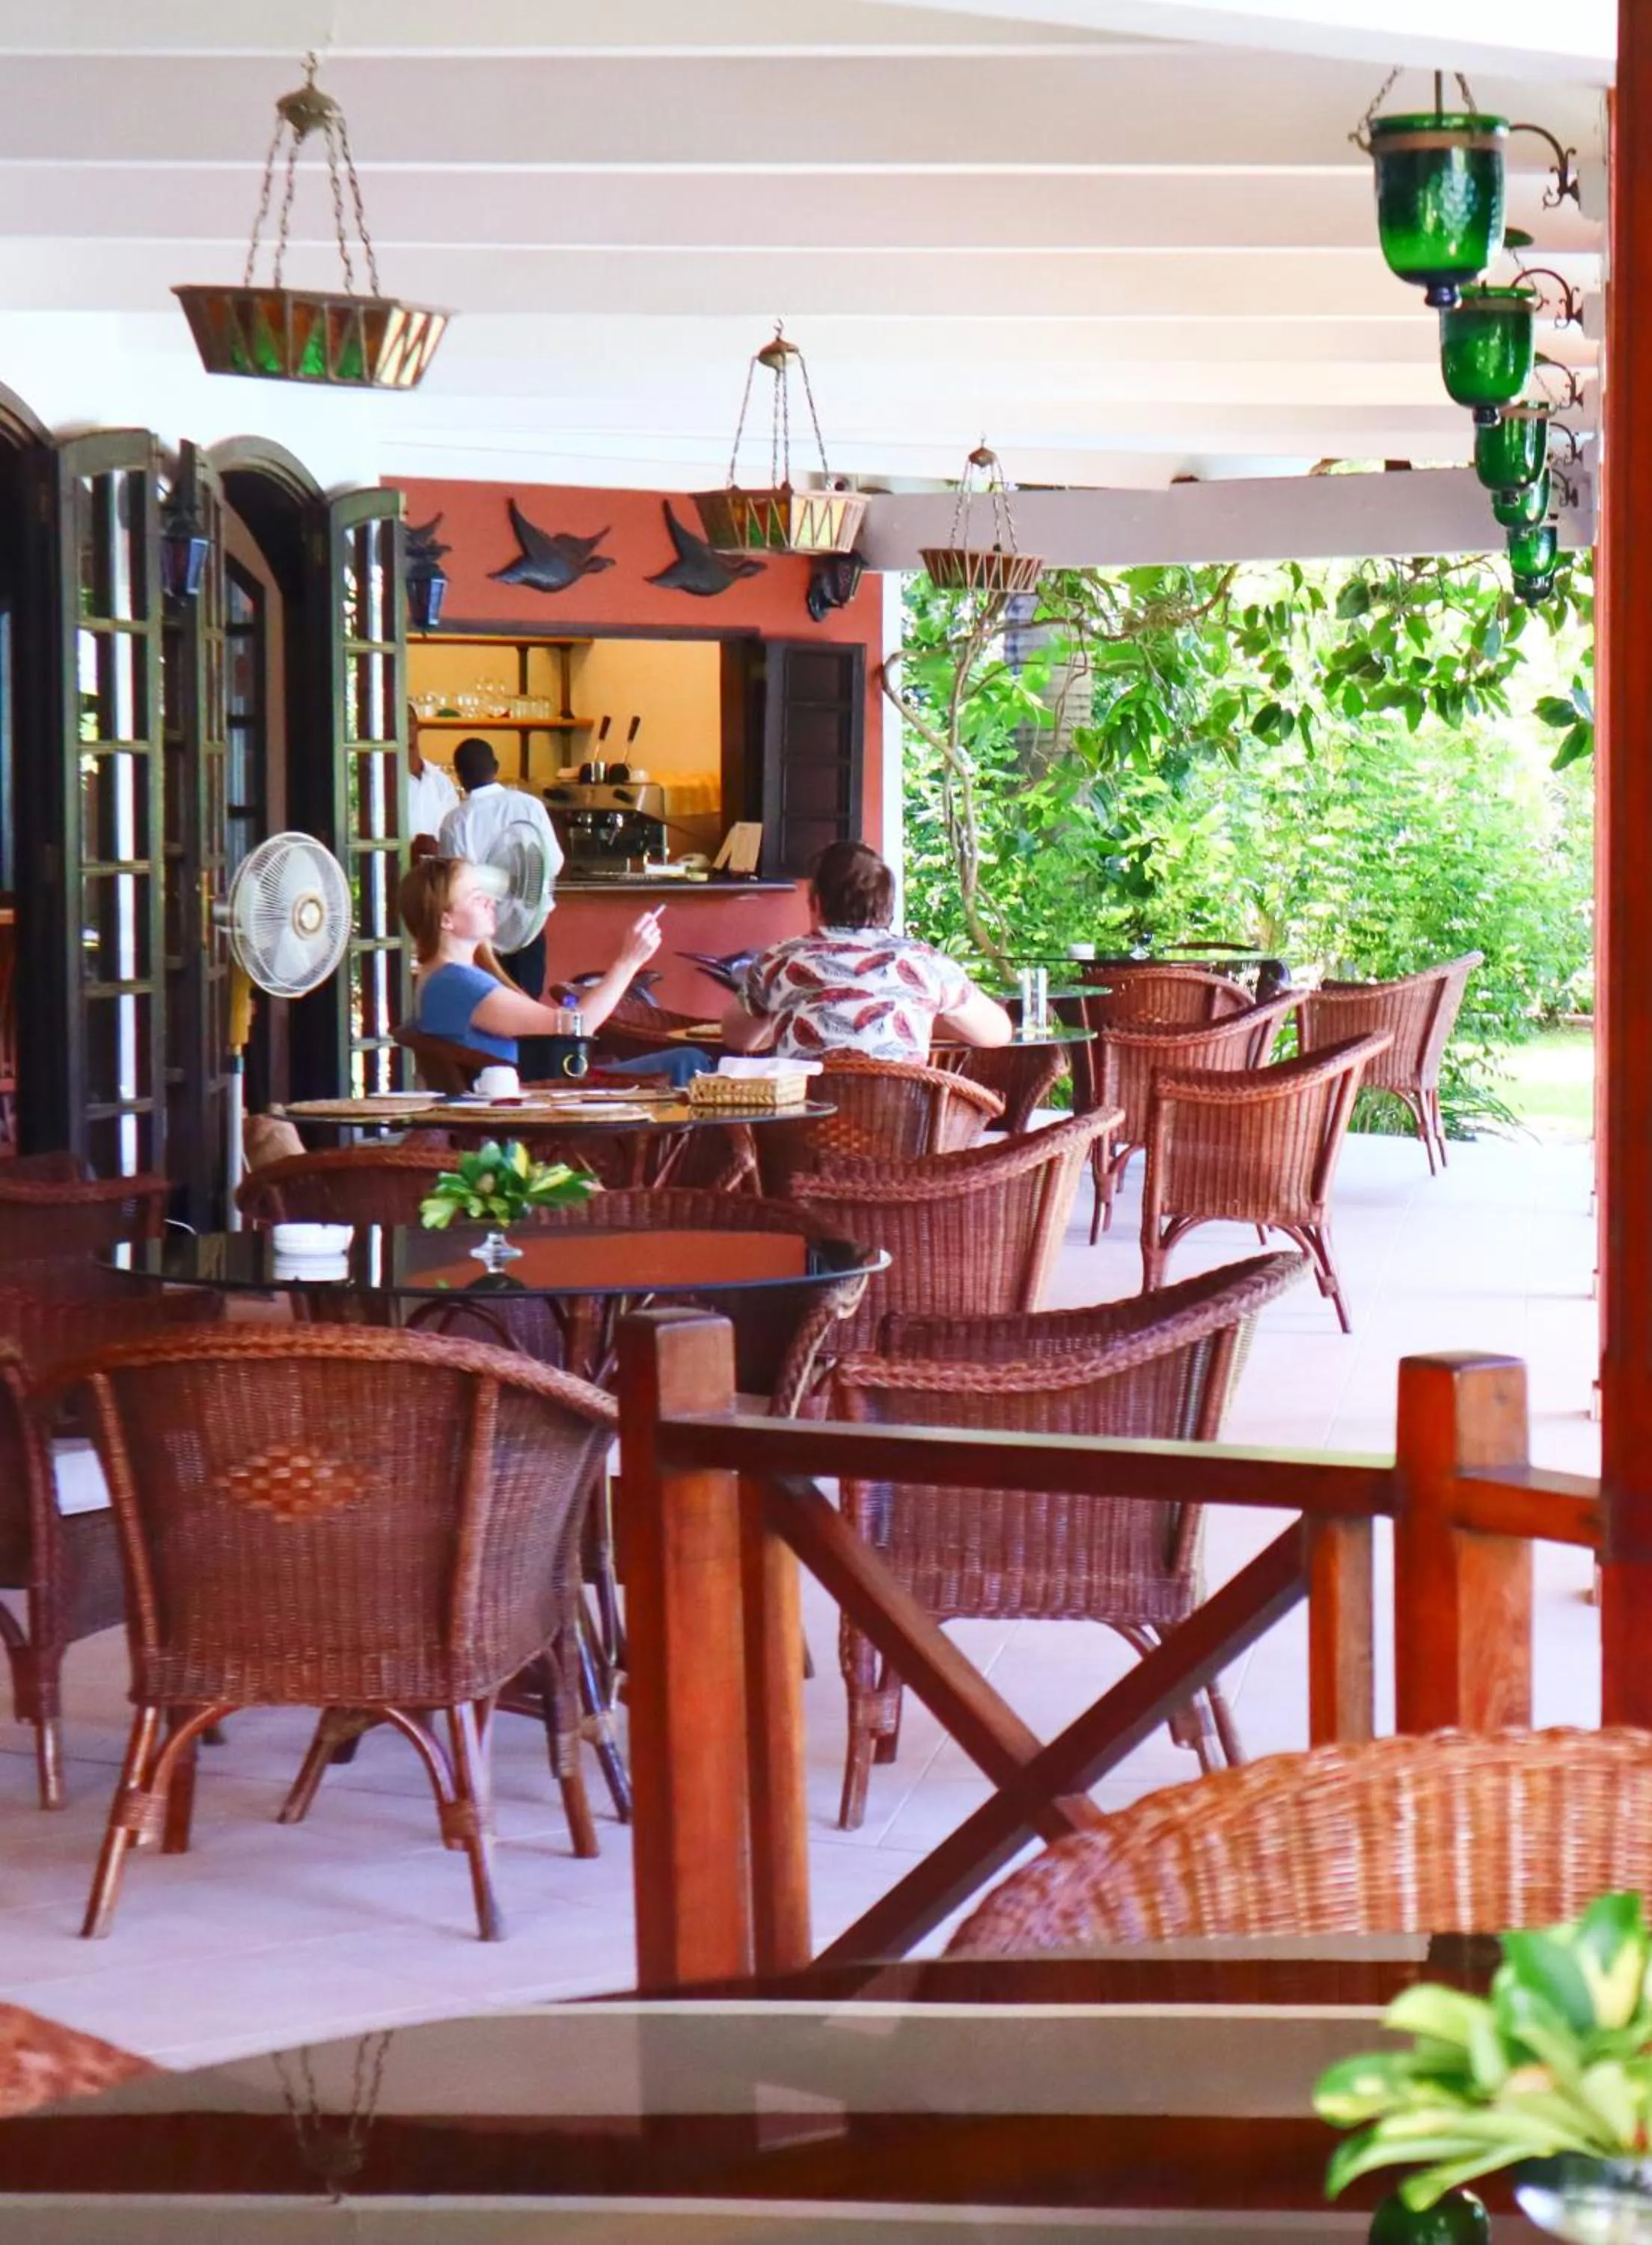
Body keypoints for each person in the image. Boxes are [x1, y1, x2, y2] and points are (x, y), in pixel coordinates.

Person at [399, 856, 710, 1090]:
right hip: (549, 1101)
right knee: (689, 1061)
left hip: (545, 1091)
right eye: (476, 897)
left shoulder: (441, 978)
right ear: (446, 921)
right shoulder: (457, 983)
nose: (491, 902)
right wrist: (628, 961)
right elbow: (574, 1028)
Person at [725, 839, 1014, 1060]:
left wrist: (776, 1006)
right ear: (889, 907)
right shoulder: (925, 963)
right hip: (903, 1132)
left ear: (817, 904)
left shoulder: (780, 959)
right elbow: (998, 1032)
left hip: (799, 1132)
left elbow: (738, 1039)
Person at [436, 737, 564, 997]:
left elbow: (454, 884)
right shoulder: (529, 805)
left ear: (459, 776)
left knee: (488, 1007)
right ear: (496, 766)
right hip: (530, 926)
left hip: (481, 936)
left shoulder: (457, 820)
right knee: (527, 1008)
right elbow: (555, 862)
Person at [406, 706, 459, 860]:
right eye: (396, 721)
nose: (403, 727)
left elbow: (454, 832)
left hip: (435, 874)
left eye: (408, 721)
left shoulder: (440, 781)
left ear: (418, 726)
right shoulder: (384, 781)